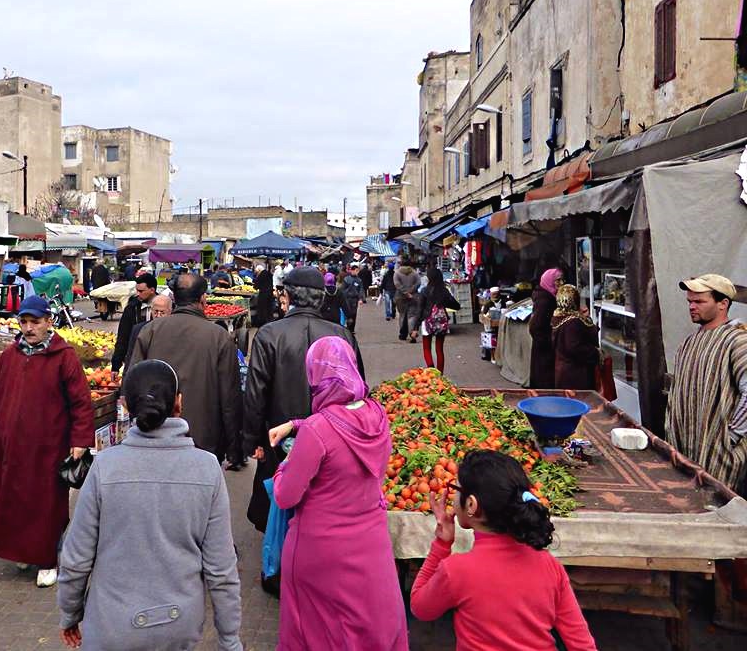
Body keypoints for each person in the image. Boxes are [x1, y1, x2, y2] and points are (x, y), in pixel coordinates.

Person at [57, 360, 242, 651]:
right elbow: (221, 569)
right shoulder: (207, 469)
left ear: (127, 408)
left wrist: (70, 613)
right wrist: (229, 639)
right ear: (179, 403)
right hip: (179, 626)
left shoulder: (105, 467)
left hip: (110, 626)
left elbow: (76, 558)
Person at [269, 337, 408, 650]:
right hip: (371, 544)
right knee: (366, 627)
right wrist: (295, 425)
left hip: (320, 551)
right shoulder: (377, 416)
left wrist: (284, 466)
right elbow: (343, 423)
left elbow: (286, 496)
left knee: (319, 631)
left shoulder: (319, 430)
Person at [410, 450, 597, 650]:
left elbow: (420, 608)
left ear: (471, 505)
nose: (453, 498)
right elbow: (582, 645)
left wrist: (441, 545)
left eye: (455, 489)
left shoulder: (456, 570)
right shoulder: (549, 565)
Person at [243, 267, 365, 541]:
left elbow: (255, 394)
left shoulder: (269, 334)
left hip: (278, 433)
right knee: (322, 499)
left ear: (286, 296)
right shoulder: (342, 335)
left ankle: (280, 566)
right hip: (331, 435)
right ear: (321, 298)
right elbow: (358, 393)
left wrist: (252, 440)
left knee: (280, 497)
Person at [0, 295, 94, 588]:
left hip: (48, 445)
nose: (29, 328)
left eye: (35, 322)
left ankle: (48, 560)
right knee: (14, 500)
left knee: (46, 504)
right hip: (12, 446)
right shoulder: (10, 356)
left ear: (49, 322)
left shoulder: (64, 356)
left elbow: (81, 403)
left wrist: (80, 439)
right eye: (24, 322)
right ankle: (23, 550)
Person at [129, 274, 241, 465]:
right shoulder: (219, 337)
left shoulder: (150, 330)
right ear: (203, 299)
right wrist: (234, 446)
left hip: (154, 433)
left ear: (174, 299)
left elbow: (132, 383)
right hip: (203, 439)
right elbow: (230, 397)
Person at [668, 274, 747, 493]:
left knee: (714, 510)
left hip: (718, 456)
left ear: (723, 304)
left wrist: (730, 436)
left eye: (700, 301)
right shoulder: (690, 342)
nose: (692, 307)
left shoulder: (737, 340)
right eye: (690, 302)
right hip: (686, 448)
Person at [551, 284, 600, 390]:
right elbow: (575, 348)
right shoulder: (573, 322)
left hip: (564, 371)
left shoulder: (559, 316)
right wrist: (596, 353)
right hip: (576, 375)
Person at [110, 273, 157, 373]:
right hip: (136, 358)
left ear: (152, 290)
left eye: (141, 291)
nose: (138, 294)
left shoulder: (165, 305)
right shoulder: (132, 308)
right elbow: (123, 337)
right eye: (137, 290)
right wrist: (116, 365)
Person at [418, 268, 460, 374]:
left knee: (427, 348)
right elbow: (456, 305)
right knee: (439, 349)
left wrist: (414, 327)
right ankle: (440, 373)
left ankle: (431, 371)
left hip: (427, 322)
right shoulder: (444, 291)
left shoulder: (424, 291)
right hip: (441, 323)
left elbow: (420, 309)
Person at [529, 268, 563, 389]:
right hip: (544, 351)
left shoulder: (549, 296)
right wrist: (549, 343)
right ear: (549, 281)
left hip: (544, 349)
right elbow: (535, 327)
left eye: (561, 280)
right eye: (557, 280)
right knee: (544, 382)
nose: (560, 283)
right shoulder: (545, 301)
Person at [122, 294, 172, 369]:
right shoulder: (139, 329)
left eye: (162, 312)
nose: (158, 315)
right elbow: (130, 358)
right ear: (151, 310)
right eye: (155, 312)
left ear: (170, 312)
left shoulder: (175, 332)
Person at [394, 257, 421, 341]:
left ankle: (403, 334)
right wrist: (411, 291)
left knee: (402, 315)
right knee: (411, 315)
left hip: (400, 297)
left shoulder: (397, 273)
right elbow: (418, 283)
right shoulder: (414, 273)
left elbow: (397, 284)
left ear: (401, 264)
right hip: (413, 297)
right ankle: (412, 332)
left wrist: (405, 292)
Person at [339, 265, 363, 333]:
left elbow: (360, 290)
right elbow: (342, 289)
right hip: (347, 299)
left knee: (354, 314)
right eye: (356, 270)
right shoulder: (346, 279)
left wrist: (360, 298)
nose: (357, 272)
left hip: (354, 299)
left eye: (358, 271)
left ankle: (352, 329)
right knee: (347, 313)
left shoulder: (359, 280)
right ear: (352, 271)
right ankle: (347, 327)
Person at [252, 263, 275, 327]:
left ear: (259, 270)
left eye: (257, 272)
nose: (257, 274)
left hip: (263, 294)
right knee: (269, 309)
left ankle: (262, 323)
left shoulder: (262, 274)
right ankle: (269, 322)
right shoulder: (269, 274)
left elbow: (256, 286)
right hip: (270, 294)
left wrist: (255, 282)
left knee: (262, 309)